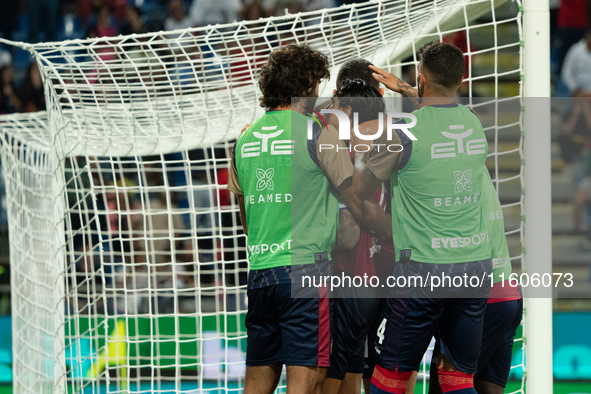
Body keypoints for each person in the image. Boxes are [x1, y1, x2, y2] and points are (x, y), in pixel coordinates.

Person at [227, 43, 390, 394]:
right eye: (317, 83)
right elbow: (355, 207)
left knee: (257, 380)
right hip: (306, 271)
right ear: (308, 86)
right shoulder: (318, 134)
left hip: (259, 271)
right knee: (308, 381)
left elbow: (246, 217)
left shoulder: (243, 140)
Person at [353, 41, 492, 394]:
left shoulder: (401, 132)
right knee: (457, 378)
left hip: (423, 270)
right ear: (461, 80)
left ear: (421, 76)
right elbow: (438, 112)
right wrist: (412, 90)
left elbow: (358, 188)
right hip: (475, 266)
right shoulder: (474, 123)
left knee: (389, 380)